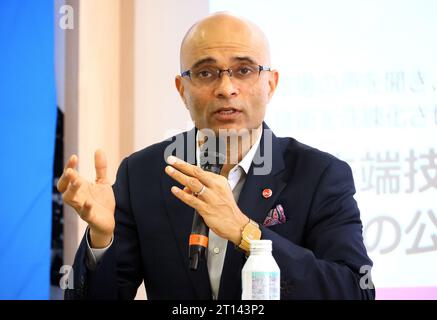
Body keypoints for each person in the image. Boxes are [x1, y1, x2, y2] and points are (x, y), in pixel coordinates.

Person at [58, 12, 374, 300]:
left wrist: (245, 231)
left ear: (270, 84)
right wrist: (101, 240)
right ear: (182, 89)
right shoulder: (143, 174)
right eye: (207, 73)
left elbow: (355, 290)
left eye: (244, 70)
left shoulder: (319, 175)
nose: (226, 88)